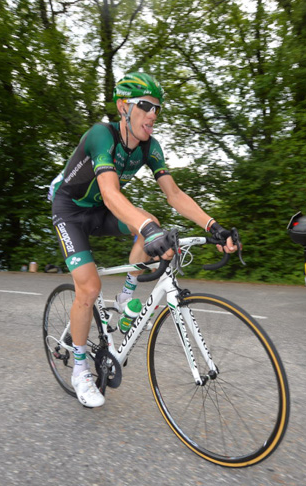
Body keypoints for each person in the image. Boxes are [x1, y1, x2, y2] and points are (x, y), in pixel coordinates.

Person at [48, 72, 236, 408]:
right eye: (145, 106)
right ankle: (79, 369)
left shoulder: (150, 147)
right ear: (124, 107)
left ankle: (125, 296)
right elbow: (109, 193)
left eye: (157, 109)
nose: (152, 114)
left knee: (152, 219)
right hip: (71, 211)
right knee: (89, 289)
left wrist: (214, 227)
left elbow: (174, 194)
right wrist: (148, 230)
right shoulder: (101, 136)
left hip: (101, 209)